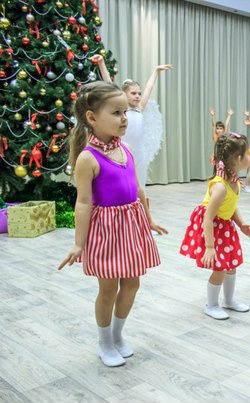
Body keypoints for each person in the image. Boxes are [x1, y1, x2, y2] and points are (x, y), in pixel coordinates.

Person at [58, 81, 167, 367]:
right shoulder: (87, 158)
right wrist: (78, 243)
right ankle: (104, 342)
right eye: (117, 112)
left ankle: (118, 335)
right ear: (92, 118)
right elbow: (83, 203)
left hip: (131, 227)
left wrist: (149, 218)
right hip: (106, 231)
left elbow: (138, 188)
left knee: (132, 283)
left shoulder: (127, 149)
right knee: (108, 289)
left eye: (125, 112)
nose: (124, 118)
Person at [180, 132, 250, 319]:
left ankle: (228, 301)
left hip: (225, 226)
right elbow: (207, 217)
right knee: (220, 269)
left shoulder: (233, 180)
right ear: (238, 159)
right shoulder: (220, 186)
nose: (249, 157)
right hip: (213, 228)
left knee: (232, 266)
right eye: (247, 154)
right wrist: (209, 247)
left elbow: (231, 206)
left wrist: (241, 223)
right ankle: (211, 305)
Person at [93, 55, 172, 190]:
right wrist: (101, 62)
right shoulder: (121, 109)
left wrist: (156, 71)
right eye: (133, 93)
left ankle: (138, 206)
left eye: (139, 94)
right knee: (122, 182)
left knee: (139, 185)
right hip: (120, 150)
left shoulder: (140, 108)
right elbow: (108, 82)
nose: (137, 96)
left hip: (139, 153)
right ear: (124, 94)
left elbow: (149, 87)